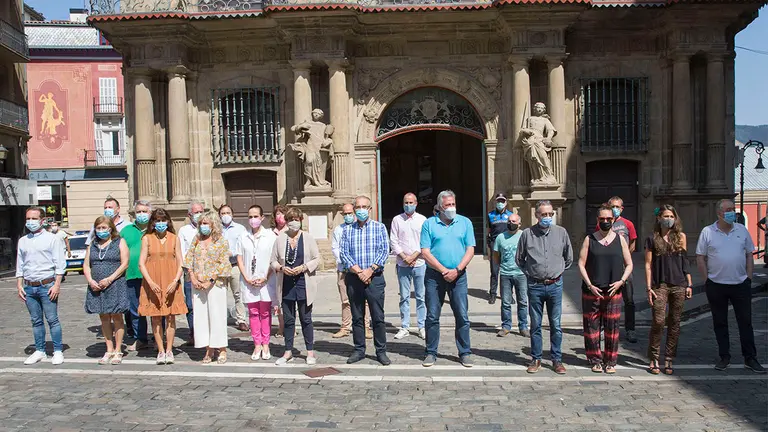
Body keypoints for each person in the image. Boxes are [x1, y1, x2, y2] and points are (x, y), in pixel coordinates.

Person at [696, 199, 765, 373]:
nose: (732, 212)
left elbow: (749, 254)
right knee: (720, 322)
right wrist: (706, 280)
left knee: (745, 322)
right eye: (728, 210)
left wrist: (749, 277)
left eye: (733, 209)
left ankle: (750, 357)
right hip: (716, 284)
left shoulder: (741, 230)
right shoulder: (707, 232)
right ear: (719, 213)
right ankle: (724, 356)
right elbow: (700, 257)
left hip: (740, 284)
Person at [516, 200, 573, 374]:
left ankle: (557, 359)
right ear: (537, 215)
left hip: (555, 285)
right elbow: (519, 259)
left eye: (550, 214)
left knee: (556, 324)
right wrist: (531, 273)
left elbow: (569, 257)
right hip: (535, 286)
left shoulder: (561, 232)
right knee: (535, 324)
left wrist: (557, 271)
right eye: (544, 214)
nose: (547, 217)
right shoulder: (527, 234)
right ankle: (536, 358)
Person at [420, 190, 476, 368]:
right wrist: (444, 270)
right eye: (447, 205)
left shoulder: (465, 222)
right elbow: (425, 252)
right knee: (432, 315)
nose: (451, 208)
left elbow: (470, 249)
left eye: (453, 204)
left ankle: (465, 352)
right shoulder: (429, 224)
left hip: (459, 276)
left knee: (462, 315)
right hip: (434, 276)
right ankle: (431, 352)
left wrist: (457, 270)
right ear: (439, 207)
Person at [577, 205, 633, 374]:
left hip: (613, 291)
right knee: (591, 327)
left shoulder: (620, 239)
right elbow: (581, 263)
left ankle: (610, 361)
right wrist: (589, 284)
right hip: (592, 291)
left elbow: (629, 264)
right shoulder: (589, 239)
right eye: (602, 219)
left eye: (609, 219)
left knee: (612, 328)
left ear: (613, 220)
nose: (606, 221)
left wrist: (621, 281)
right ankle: (595, 360)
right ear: (597, 220)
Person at [339, 196, 391, 366]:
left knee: (378, 317)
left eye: (364, 207)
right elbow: (344, 253)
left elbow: (384, 250)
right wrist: (359, 271)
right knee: (357, 316)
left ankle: (381, 351)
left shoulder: (379, 227)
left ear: (370, 209)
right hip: (354, 278)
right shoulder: (347, 230)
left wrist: (370, 270)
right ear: (354, 210)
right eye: (358, 207)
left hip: (374, 277)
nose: (361, 210)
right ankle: (359, 349)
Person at [645, 204, 693, 375]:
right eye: (666, 216)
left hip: (679, 284)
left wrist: (689, 283)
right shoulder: (652, 238)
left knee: (675, 323)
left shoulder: (680, 237)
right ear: (659, 218)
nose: (669, 219)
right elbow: (648, 264)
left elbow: (685, 262)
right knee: (658, 321)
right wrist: (648, 287)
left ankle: (669, 358)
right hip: (660, 285)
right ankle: (654, 357)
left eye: (672, 216)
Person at [271, 207, 322, 365]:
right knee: (288, 320)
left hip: (303, 282)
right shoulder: (280, 239)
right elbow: (273, 260)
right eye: (291, 219)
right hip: (286, 284)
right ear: (286, 222)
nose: (294, 222)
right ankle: (288, 352)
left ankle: (310, 352)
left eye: (296, 219)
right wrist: (281, 268)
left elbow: (317, 258)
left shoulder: (308, 238)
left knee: (306, 319)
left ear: (301, 221)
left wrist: (304, 267)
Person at [16, 207, 67, 365]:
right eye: (28, 219)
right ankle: (40, 350)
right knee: (36, 320)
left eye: (34, 218)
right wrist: (19, 284)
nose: (30, 222)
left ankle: (57, 350)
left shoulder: (52, 239)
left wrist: (57, 284)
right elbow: (20, 264)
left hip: (47, 284)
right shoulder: (23, 240)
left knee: (52, 319)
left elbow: (60, 264)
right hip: (29, 286)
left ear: (42, 221)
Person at [139, 208, 187, 365]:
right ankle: (160, 350)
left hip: (170, 281)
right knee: (155, 317)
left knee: (171, 317)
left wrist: (175, 281)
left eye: (163, 220)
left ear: (168, 221)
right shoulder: (147, 238)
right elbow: (141, 263)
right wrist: (150, 282)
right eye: (157, 220)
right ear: (153, 222)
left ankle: (169, 349)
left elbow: (180, 262)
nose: (160, 223)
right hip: (153, 282)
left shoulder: (174, 238)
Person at [184, 210, 231, 364]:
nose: (203, 226)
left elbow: (223, 263)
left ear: (213, 225)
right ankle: (208, 349)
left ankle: (221, 348)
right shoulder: (197, 239)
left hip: (215, 284)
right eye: (201, 223)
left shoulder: (221, 241)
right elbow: (189, 258)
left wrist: (210, 280)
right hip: (197, 283)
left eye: (206, 223)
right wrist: (192, 277)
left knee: (216, 316)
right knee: (201, 317)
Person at [84, 216, 131, 365]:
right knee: (104, 317)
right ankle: (109, 349)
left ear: (111, 228)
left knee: (117, 316)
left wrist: (110, 279)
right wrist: (90, 280)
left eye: (104, 227)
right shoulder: (92, 244)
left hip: (115, 283)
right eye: (98, 228)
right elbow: (86, 265)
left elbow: (125, 263)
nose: (101, 230)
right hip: (97, 286)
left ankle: (118, 349)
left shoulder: (119, 242)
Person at [236, 205, 277, 361]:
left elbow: (274, 258)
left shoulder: (270, 236)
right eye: (250, 217)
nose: (253, 219)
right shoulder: (243, 236)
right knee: (253, 313)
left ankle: (266, 343)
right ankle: (257, 344)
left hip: (266, 280)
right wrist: (246, 277)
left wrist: (266, 276)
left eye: (255, 216)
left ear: (262, 218)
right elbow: (239, 258)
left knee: (265, 313)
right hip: (249, 280)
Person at [597, 196, 639, 343]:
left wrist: (625, 257)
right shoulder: (603, 223)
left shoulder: (628, 224)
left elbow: (633, 243)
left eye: (617, 206)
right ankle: (603, 328)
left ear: (622, 208)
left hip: (623, 268)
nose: (615, 209)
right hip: (607, 268)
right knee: (605, 299)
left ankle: (630, 329)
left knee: (629, 300)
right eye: (612, 206)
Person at [330, 203, 372, 339]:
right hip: (344, 269)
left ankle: (366, 327)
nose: (348, 216)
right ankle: (345, 327)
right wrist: (346, 262)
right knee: (345, 300)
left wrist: (356, 266)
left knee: (365, 300)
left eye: (350, 213)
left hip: (360, 270)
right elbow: (335, 248)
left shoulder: (360, 227)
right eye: (345, 214)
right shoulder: (339, 229)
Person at [390, 193, 427, 340]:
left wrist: (414, 256)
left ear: (416, 203)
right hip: (402, 264)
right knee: (404, 296)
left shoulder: (422, 220)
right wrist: (405, 257)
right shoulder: (397, 220)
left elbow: (425, 241)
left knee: (421, 297)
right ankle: (405, 326)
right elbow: (393, 241)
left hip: (419, 263)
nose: (408, 205)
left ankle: (422, 326)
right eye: (406, 202)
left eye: (411, 202)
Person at [121, 200, 151, 352]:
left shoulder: (154, 229)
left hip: (152, 276)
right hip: (132, 275)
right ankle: (140, 339)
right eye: (138, 211)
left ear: (150, 213)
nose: (141, 214)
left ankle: (160, 338)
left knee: (157, 309)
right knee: (135, 309)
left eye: (144, 211)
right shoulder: (126, 230)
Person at [493, 212, 529, 338]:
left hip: (521, 274)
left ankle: (523, 327)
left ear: (519, 224)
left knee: (523, 302)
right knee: (505, 302)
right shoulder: (500, 237)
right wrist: (502, 266)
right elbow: (496, 255)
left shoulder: (524, 236)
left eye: (513, 221)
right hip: (505, 274)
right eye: (509, 221)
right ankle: (506, 326)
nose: (510, 223)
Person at [178, 200, 205, 344]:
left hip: (206, 272)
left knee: (205, 303)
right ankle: (193, 332)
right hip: (190, 271)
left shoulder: (209, 228)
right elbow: (182, 252)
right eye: (196, 212)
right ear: (189, 215)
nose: (199, 214)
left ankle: (205, 332)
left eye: (201, 211)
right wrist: (189, 270)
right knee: (190, 303)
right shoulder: (184, 231)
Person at [219, 204, 249, 331]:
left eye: (228, 213)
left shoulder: (240, 229)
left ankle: (241, 319)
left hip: (234, 265)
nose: (225, 215)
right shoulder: (216, 228)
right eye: (223, 213)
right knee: (220, 294)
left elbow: (244, 246)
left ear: (232, 214)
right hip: (220, 266)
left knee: (238, 294)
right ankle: (220, 320)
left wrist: (233, 253)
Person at [487, 193, 513, 304]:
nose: (500, 203)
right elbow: (489, 230)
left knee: (508, 271)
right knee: (494, 271)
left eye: (502, 201)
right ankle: (492, 294)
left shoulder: (510, 215)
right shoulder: (490, 215)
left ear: (506, 202)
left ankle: (509, 294)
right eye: (498, 201)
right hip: (495, 245)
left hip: (507, 245)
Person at [272, 204, 288, 337]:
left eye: (282, 213)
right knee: (277, 301)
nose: (280, 216)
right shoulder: (271, 233)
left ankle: (290, 326)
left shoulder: (290, 231)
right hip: (273, 271)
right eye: (278, 214)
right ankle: (281, 326)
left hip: (286, 269)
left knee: (287, 300)